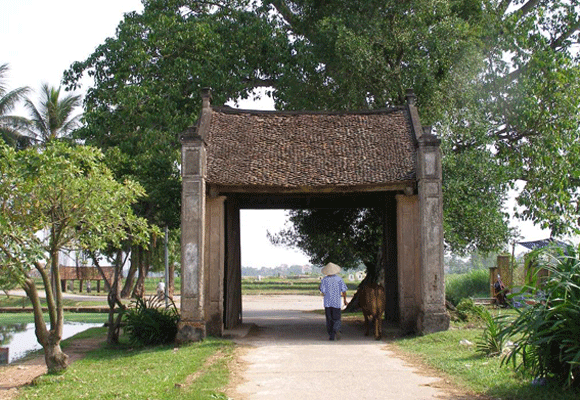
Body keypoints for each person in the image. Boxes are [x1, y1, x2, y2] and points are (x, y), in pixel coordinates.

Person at [319, 262, 348, 341]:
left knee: (329, 319)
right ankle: (337, 329)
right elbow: (344, 290)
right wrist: (345, 300)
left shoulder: (324, 280)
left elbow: (323, 291)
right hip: (336, 302)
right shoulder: (339, 279)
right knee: (337, 318)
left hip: (327, 303)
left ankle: (331, 336)